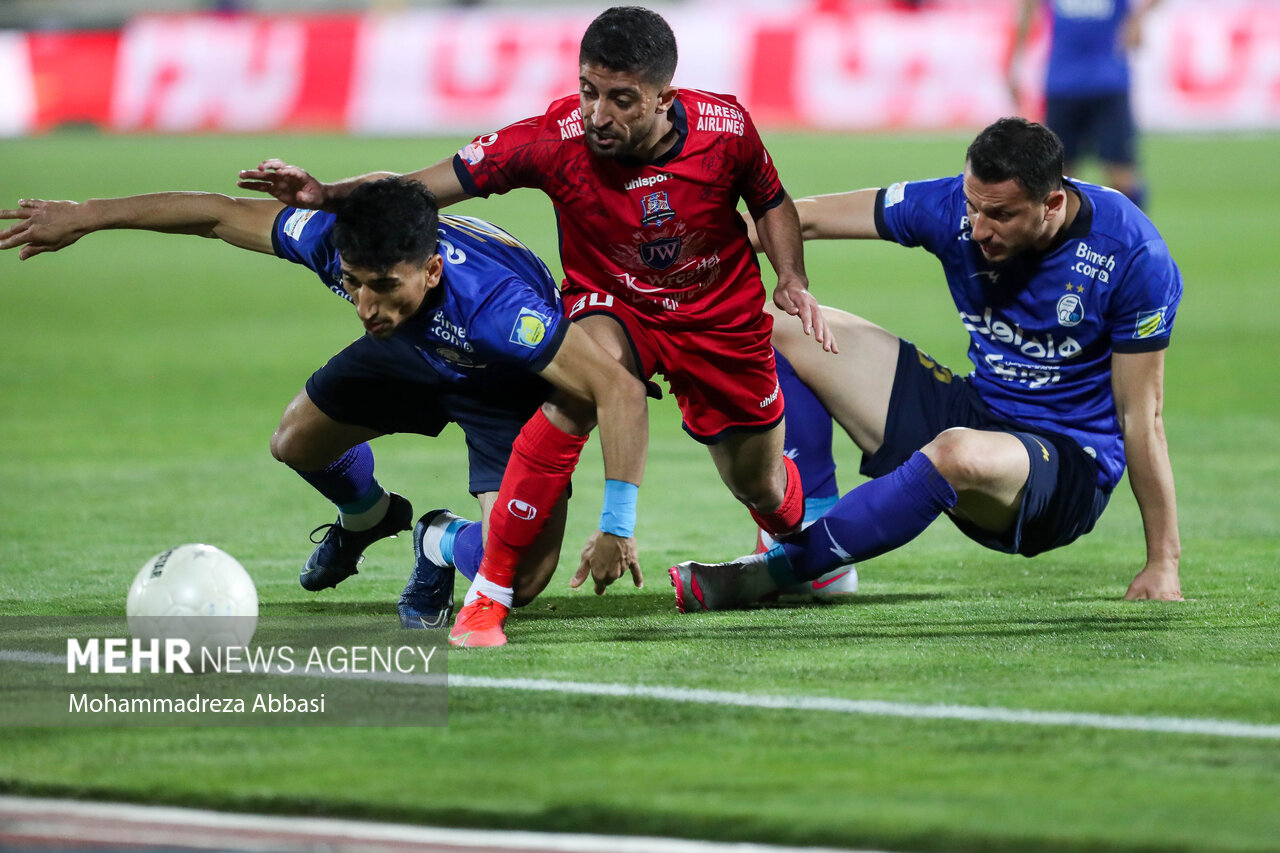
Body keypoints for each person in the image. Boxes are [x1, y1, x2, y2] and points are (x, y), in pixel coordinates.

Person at [238, 6, 835, 647]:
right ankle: (486, 600)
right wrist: (328, 195)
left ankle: (803, 540)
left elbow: (769, 200)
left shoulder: (727, 126)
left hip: (720, 319)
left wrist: (791, 278)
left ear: (664, 95)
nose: (598, 114)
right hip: (614, 305)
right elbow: (421, 190)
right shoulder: (552, 139)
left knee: (761, 484)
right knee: (578, 390)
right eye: (589, 91)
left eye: (620, 99)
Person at [0, 178, 649, 629]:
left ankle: (437, 539)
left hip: (500, 385)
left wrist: (617, 522)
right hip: (407, 348)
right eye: (352, 285)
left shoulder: (503, 311)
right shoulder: (341, 248)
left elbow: (616, 388)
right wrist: (87, 215)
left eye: (383, 286)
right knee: (295, 442)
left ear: (429, 272)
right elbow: (217, 214)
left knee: (524, 582)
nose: (364, 304)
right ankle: (368, 516)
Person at [671, 117, 1184, 611]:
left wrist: (1163, 561)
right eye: (972, 207)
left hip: (1067, 465)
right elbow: (804, 217)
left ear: (1052, 202)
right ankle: (812, 540)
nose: (979, 228)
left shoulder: (1132, 253)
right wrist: (676, 260)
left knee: (956, 452)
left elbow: (1143, 418)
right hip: (979, 406)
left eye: (1000, 215)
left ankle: (772, 571)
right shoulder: (954, 209)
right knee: (766, 322)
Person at [1008, 0, 1164, 209]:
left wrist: (1137, 18)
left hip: (1108, 85)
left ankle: (1133, 238)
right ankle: (1066, 240)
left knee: (1122, 177)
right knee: (1059, 179)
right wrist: (1015, 64)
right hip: (1062, 86)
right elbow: (1027, 12)